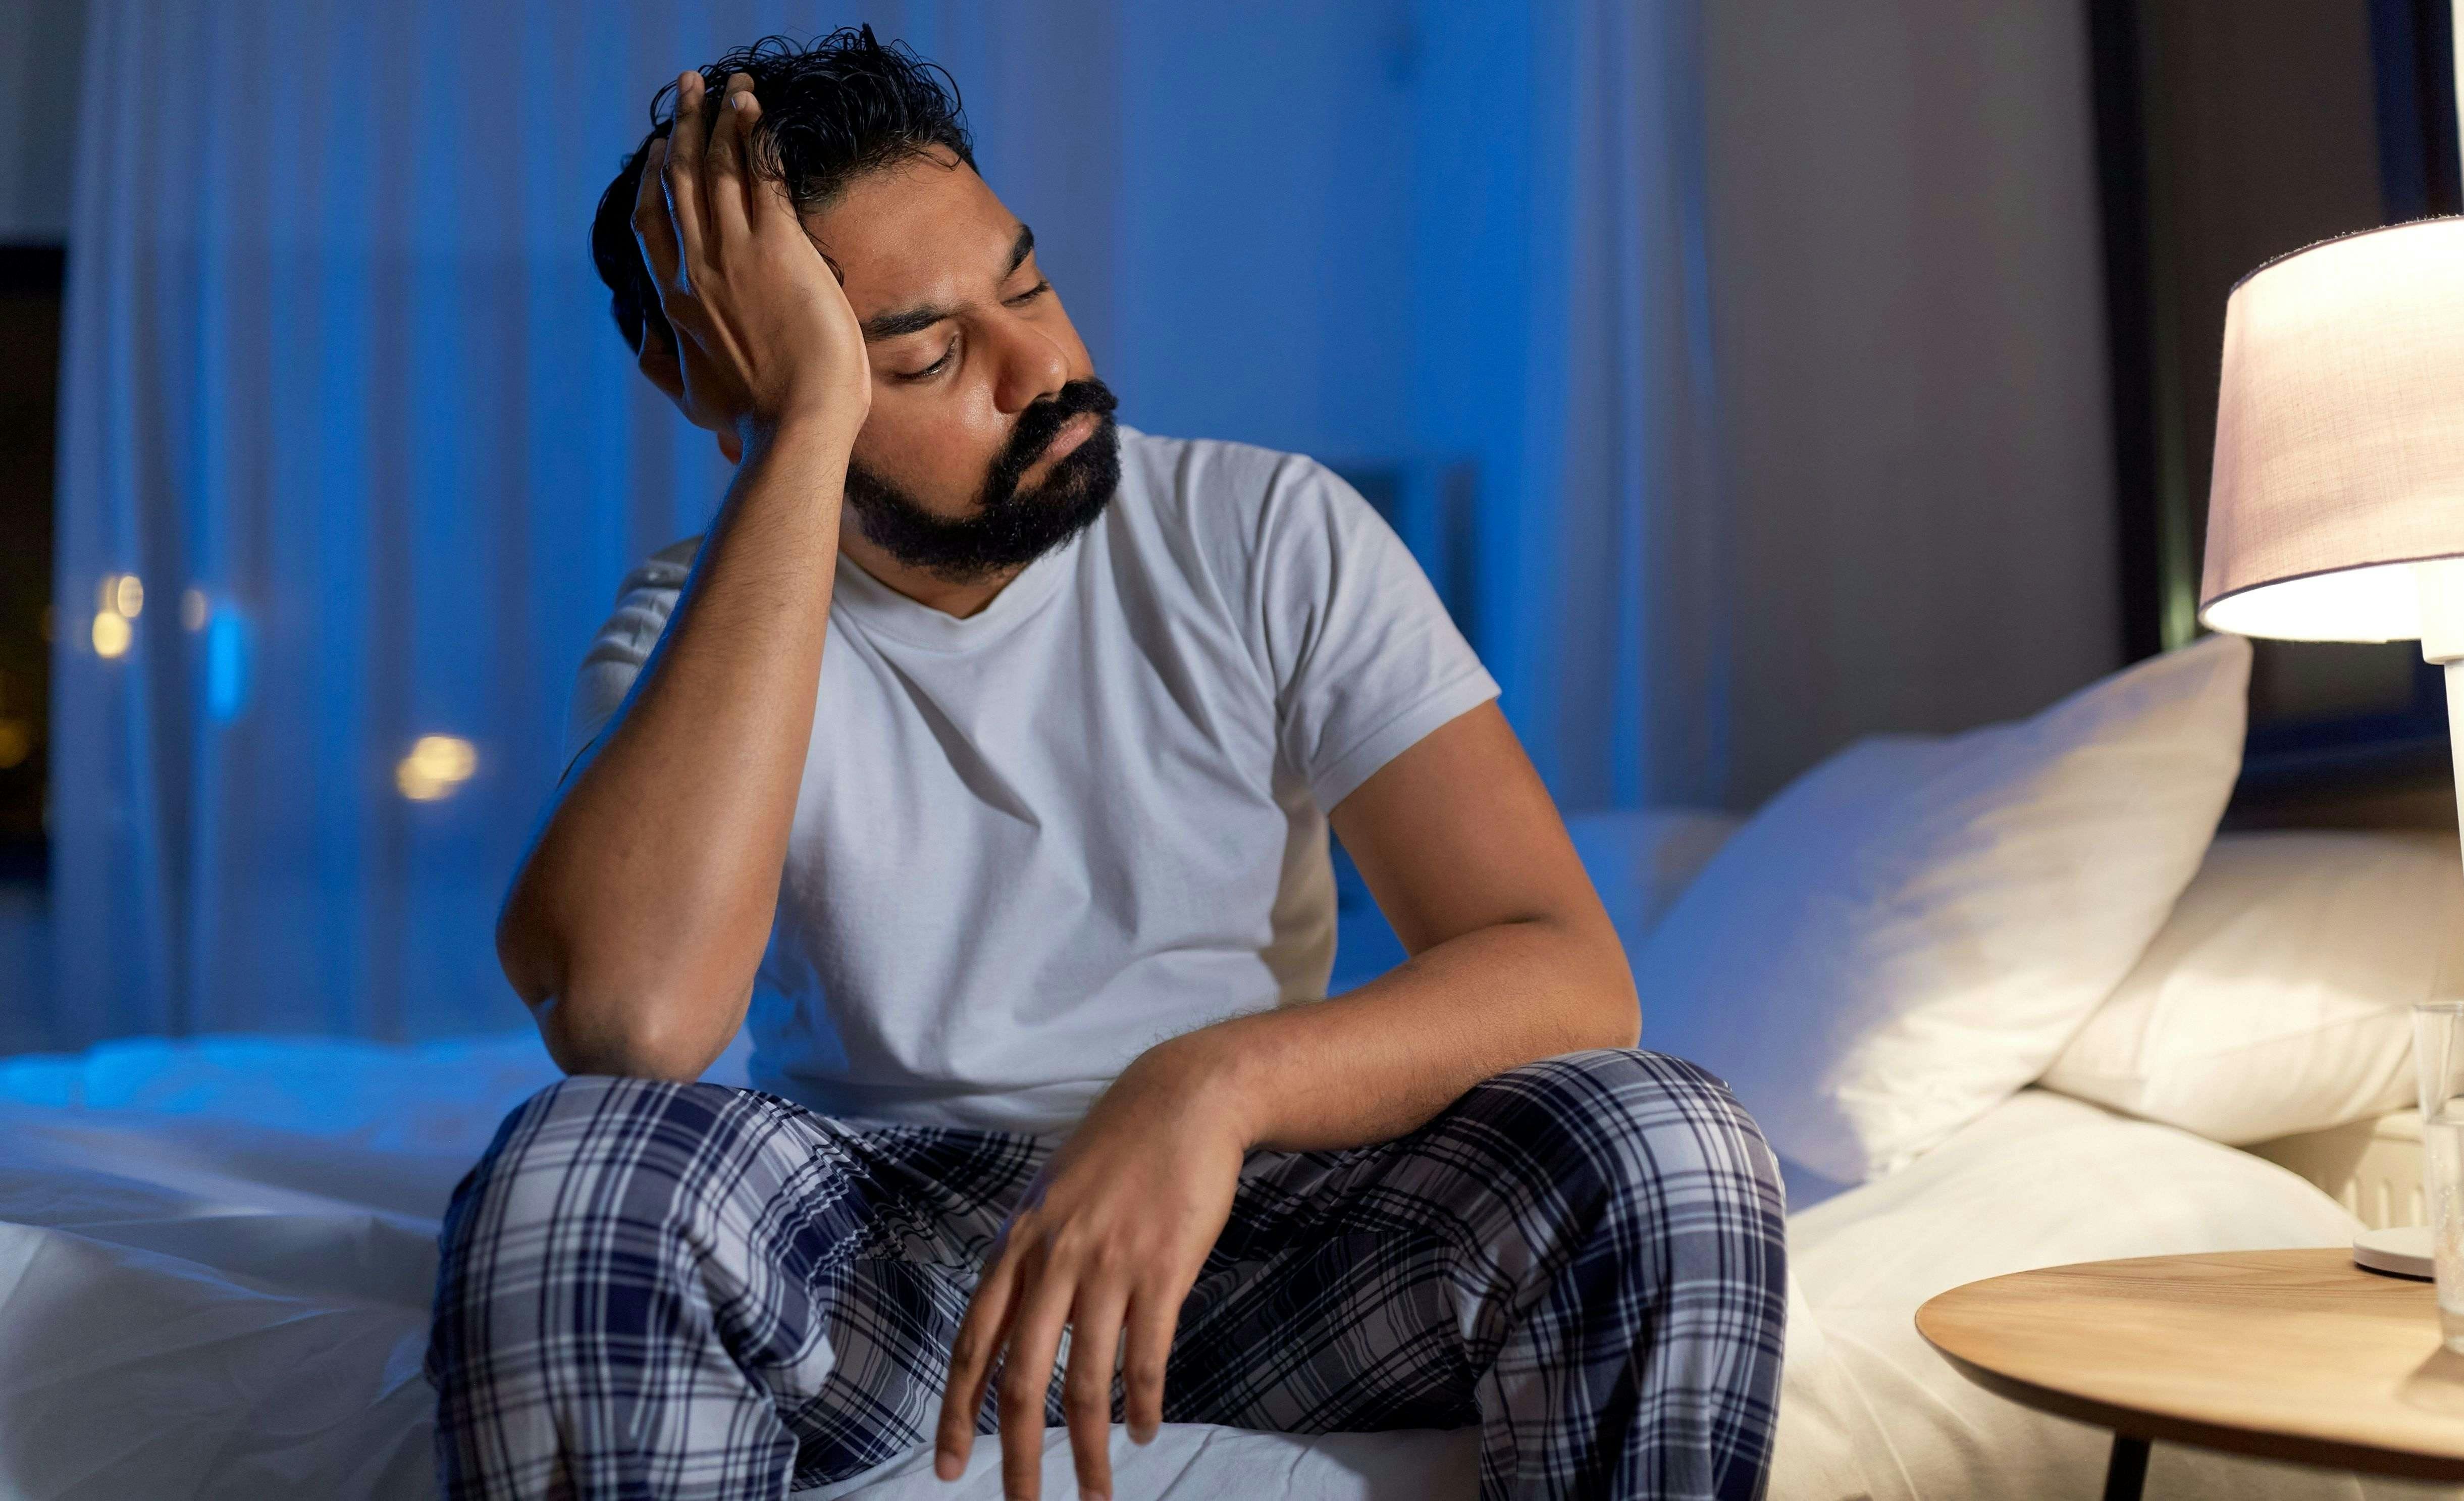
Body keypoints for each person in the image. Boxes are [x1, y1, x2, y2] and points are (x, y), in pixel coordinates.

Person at [426, 27, 1785, 1501]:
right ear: (724, 381)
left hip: (1256, 1234)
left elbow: (1567, 969)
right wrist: (802, 431)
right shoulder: (707, 624)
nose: (1049, 368)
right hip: (901, 1265)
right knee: (573, 1179)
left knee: (1673, 1144)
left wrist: (1208, 1087)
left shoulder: (1271, 532)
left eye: (1029, 284)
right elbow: (631, 1027)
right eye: (928, 352)